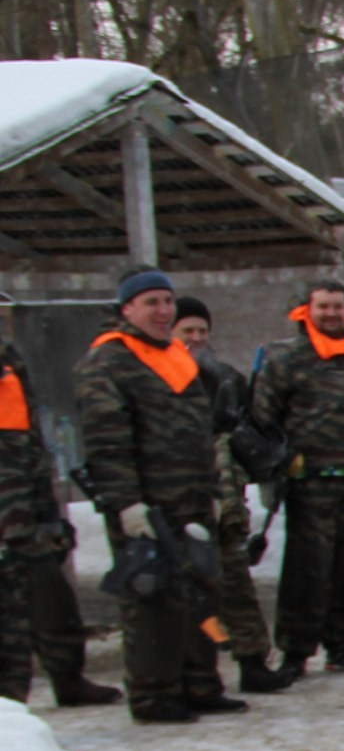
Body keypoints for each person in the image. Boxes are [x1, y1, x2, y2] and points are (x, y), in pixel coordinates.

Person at [72, 269, 241, 723]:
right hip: (147, 507)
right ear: (126, 309)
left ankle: (200, 683)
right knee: (152, 600)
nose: (163, 311)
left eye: (167, 301)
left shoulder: (176, 356)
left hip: (191, 498)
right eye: (151, 302)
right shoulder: (108, 362)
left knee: (200, 591)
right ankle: (154, 696)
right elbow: (107, 442)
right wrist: (127, 504)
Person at [252, 278, 344, 678]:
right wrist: (275, 467)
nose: (331, 313)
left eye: (337, 306)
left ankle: (343, 644)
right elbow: (264, 417)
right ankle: (295, 649)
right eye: (323, 307)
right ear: (306, 311)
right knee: (307, 568)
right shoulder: (286, 358)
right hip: (310, 479)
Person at [171, 297, 292, 694]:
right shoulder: (156, 378)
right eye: (187, 331)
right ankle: (194, 674)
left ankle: (253, 660)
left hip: (226, 496)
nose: (196, 338)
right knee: (190, 588)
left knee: (236, 581)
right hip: (182, 501)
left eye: (202, 331)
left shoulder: (224, 377)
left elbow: (246, 430)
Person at [0, 323, 120, 708]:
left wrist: (45, 502)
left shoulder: (7, 357)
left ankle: (68, 679)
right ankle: (10, 714)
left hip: (22, 510)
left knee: (51, 600)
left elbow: (30, 435)